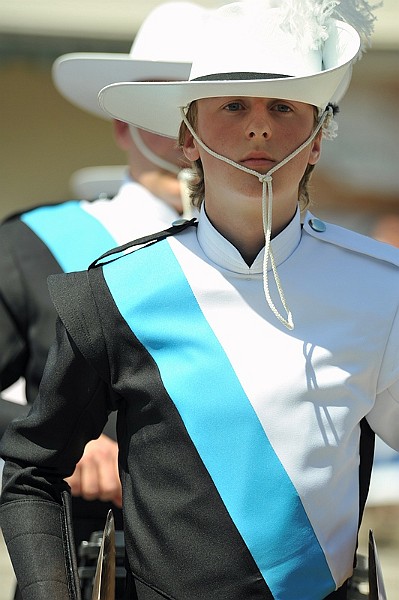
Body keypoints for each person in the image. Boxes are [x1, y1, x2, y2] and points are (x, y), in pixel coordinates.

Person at [1, 0, 398, 599]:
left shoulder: (381, 287)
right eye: (232, 105)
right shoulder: (116, 289)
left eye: (284, 106)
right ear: (188, 136)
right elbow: (32, 471)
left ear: (317, 138)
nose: (258, 127)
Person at [0, 1, 209, 597]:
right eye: (160, 110)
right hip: (81, 561)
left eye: (206, 108)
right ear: (121, 124)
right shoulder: (28, 247)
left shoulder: (281, 261)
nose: (187, 135)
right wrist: (56, 437)